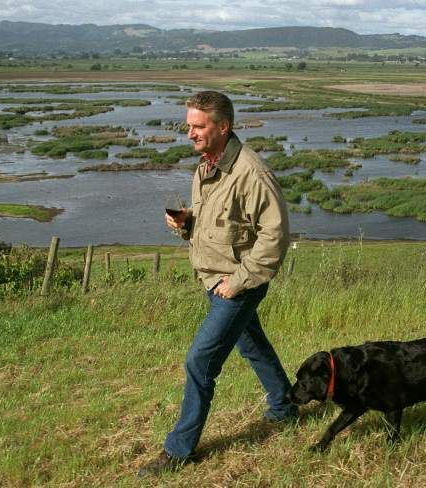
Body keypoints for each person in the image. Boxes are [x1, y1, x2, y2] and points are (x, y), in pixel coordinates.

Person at [138, 91, 297, 476]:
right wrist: (187, 224)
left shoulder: (251, 173)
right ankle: (285, 406)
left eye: (197, 126)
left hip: (236, 285)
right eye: (188, 125)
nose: (189, 133)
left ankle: (179, 450)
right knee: (253, 345)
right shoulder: (207, 166)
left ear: (223, 126)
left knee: (199, 362)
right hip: (214, 280)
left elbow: (274, 236)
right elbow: (221, 224)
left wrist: (238, 283)